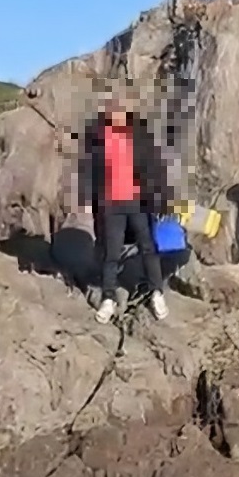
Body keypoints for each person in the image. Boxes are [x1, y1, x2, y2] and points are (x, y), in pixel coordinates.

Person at [78, 92, 171, 325]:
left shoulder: (140, 134)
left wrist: (161, 197)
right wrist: (87, 199)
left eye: (121, 108)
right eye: (112, 109)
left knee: (148, 248)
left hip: (139, 201)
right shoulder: (98, 136)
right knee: (112, 252)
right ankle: (108, 297)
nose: (116, 113)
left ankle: (156, 292)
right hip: (111, 205)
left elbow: (155, 165)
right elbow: (88, 170)